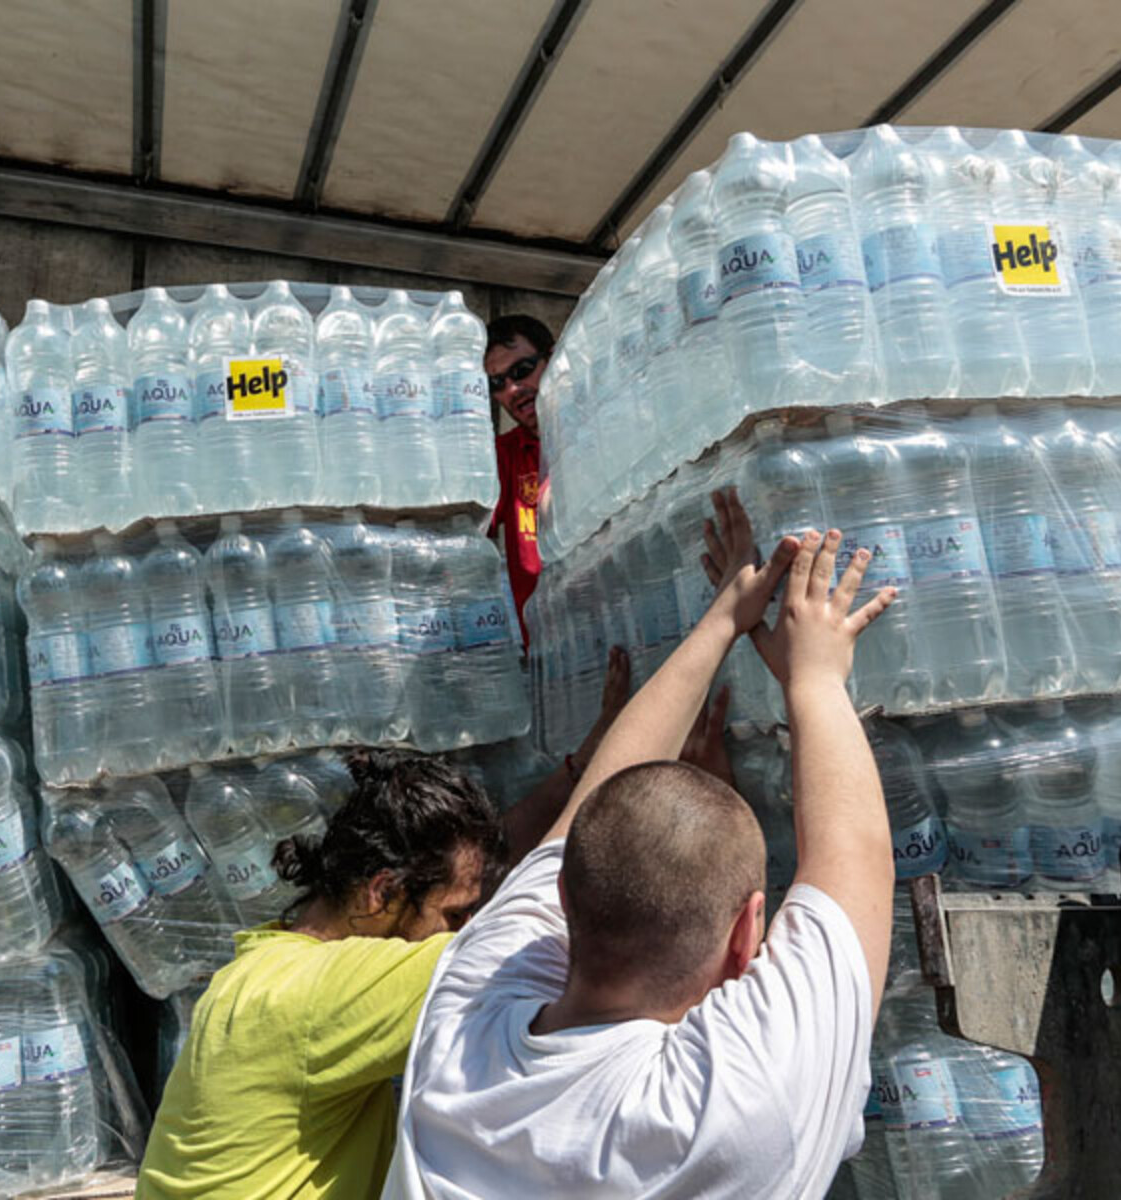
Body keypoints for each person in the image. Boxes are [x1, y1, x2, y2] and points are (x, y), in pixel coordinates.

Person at [384, 491, 899, 1199]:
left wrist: (726, 619)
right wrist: (811, 673)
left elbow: (596, 803)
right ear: (749, 933)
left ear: (562, 899)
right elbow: (856, 854)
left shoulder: (461, 1028)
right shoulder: (738, 1111)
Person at [138, 649, 644, 1200]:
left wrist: (576, 770)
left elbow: (489, 879)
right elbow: (520, 924)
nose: (464, 929)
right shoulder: (323, 995)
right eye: (454, 917)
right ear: (383, 891)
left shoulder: (276, 967)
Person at [484, 314, 552, 644]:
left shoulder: (602, 427)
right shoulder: (504, 455)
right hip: (548, 659)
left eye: (522, 371)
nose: (512, 389)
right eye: (497, 383)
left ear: (552, 359)